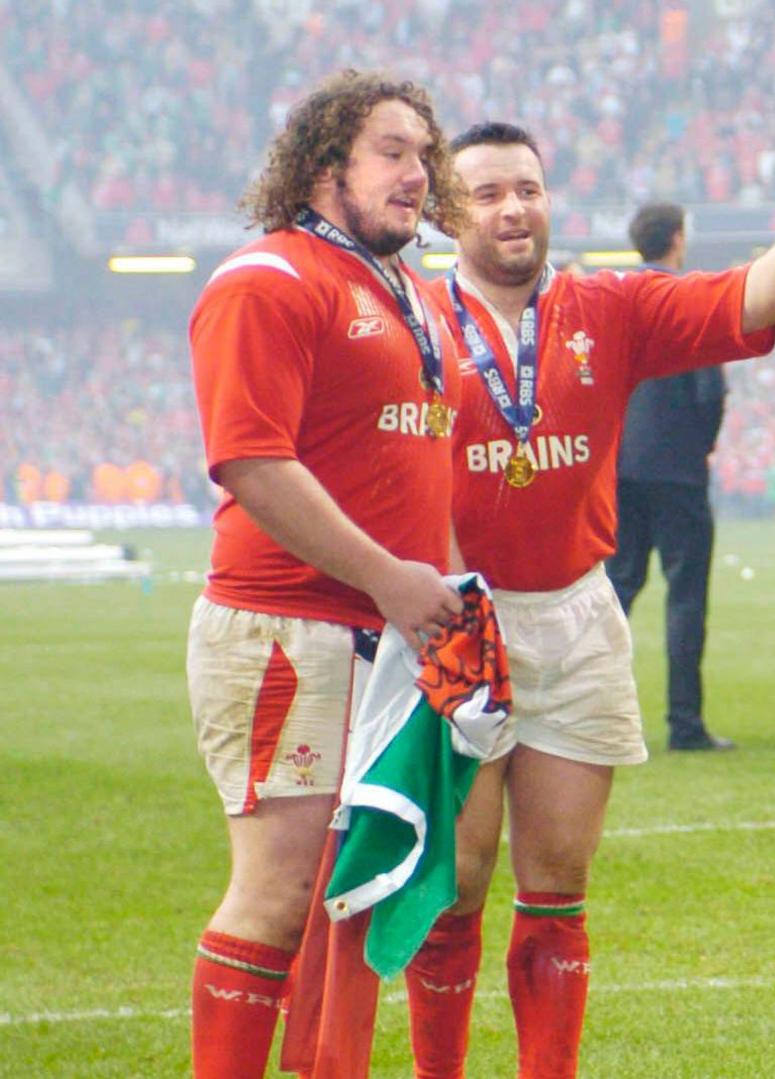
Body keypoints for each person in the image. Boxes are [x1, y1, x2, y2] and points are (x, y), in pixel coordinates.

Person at [406, 122, 775, 1079]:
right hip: (455, 620)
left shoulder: (610, 305)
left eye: (529, 187)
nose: (514, 207)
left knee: (558, 882)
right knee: (454, 889)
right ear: (445, 212)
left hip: (575, 614)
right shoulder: (410, 320)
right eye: (487, 194)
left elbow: (759, 292)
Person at [183, 70, 469, 1079]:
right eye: (392, 152)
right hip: (288, 630)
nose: (417, 174)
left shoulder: (413, 289)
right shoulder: (266, 279)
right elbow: (253, 463)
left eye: (424, 156)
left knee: (349, 891)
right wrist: (393, 576)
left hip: (388, 638)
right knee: (275, 891)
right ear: (321, 172)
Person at [607, 201, 735, 752]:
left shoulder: (610, 304)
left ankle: (594, 709)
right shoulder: (688, 301)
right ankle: (685, 722)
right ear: (677, 241)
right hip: (678, 472)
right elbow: (711, 393)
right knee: (686, 596)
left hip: (621, 469)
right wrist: (700, 446)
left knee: (616, 590)